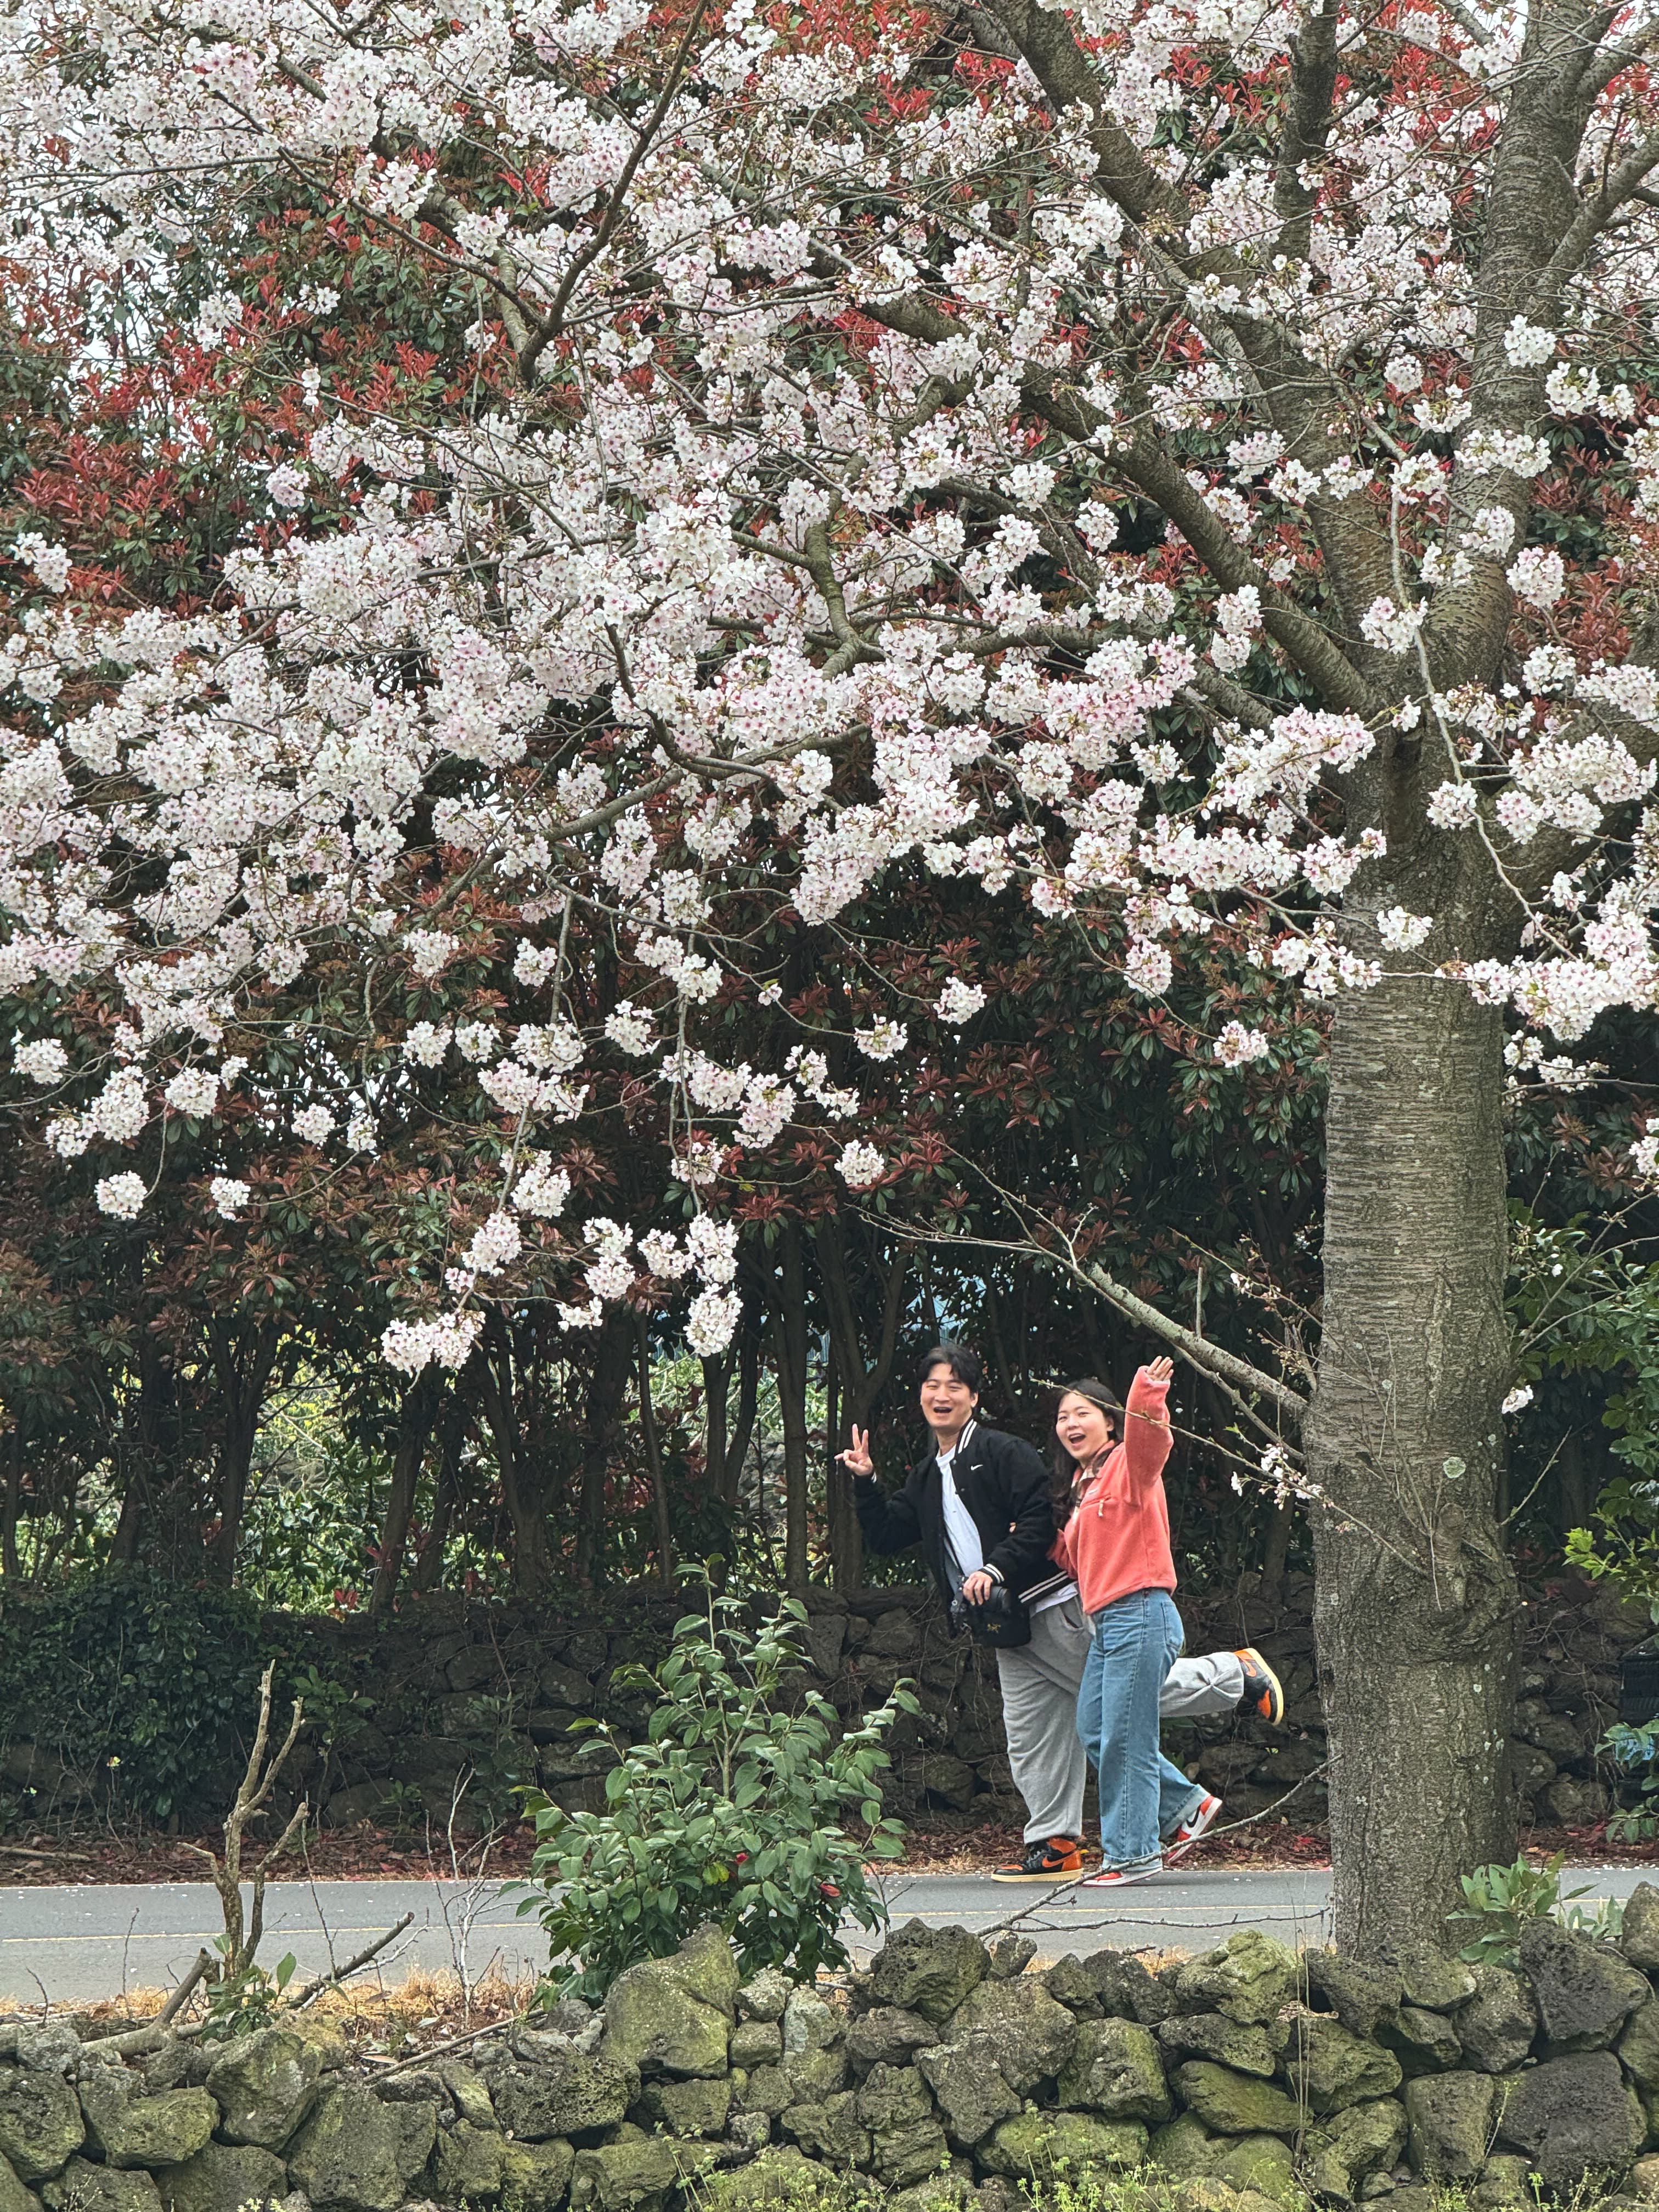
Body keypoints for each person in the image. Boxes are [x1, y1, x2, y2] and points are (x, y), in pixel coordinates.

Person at [841, 1344, 1281, 1880]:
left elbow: (1048, 1512)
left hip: (1059, 1608)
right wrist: (864, 1481)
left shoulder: (1011, 1453)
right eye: (933, 1385)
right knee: (1045, 1731)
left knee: (1125, 1714)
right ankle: (1057, 1842)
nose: (942, 1395)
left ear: (974, 1398)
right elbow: (892, 1534)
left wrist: (1145, 1396)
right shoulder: (943, 1477)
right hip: (1004, 1625)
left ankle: (1230, 1683)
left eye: (955, 1385)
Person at [1056, 1361, 1224, 1887]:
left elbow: (1151, 1441)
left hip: (1142, 1612)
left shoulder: (1129, 1464)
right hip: (1109, 1623)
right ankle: (1185, 1807)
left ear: (1110, 1421)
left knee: (1126, 1740)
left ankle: (1132, 1855)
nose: (1070, 1424)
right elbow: (1078, 1559)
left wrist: (1146, 1396)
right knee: (1097, 1731)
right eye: (1062, 1417)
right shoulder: (1083, 1489)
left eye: (1082, 1413)